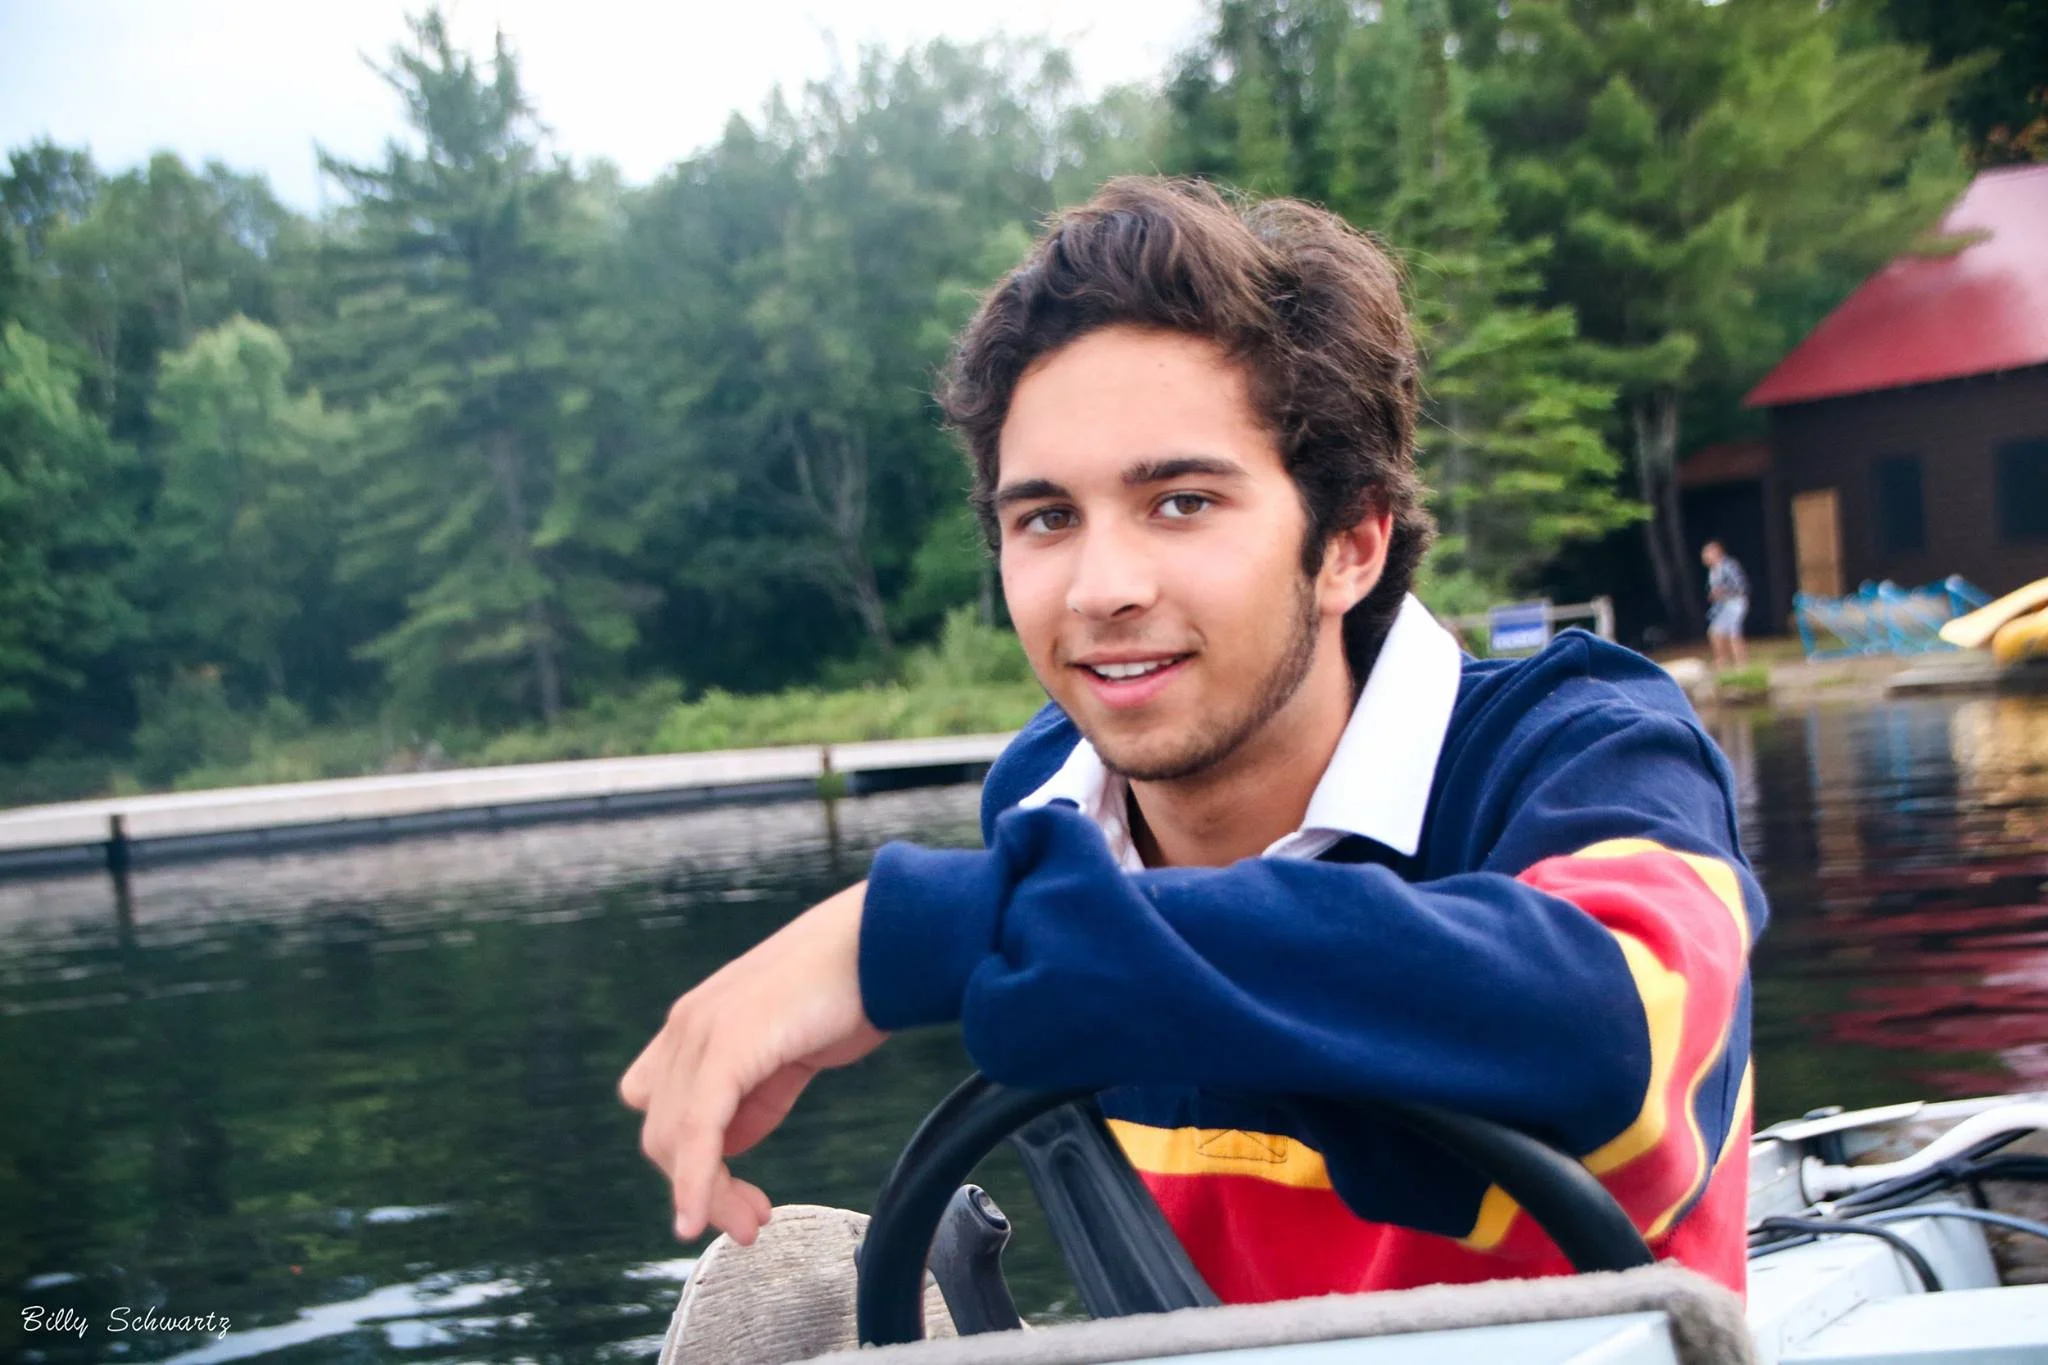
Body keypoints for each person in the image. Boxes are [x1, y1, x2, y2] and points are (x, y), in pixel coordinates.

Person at [621, 179, 1764, 1305]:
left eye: (1181, 502)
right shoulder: (1044, 807)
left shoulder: (1586, 754)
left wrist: (907, 935)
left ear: (1351, 543)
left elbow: (1615, 1035)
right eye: (1046, 519)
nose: (1101, 588)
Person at [1702, 541, 1750, 671]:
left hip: (1735, 603)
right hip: (1723, 606)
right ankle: (1722, 661)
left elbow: (1740, 586)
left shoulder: (1728, 566)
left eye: (1707, 553)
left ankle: (1741, 663)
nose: (1705, 556)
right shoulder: (1714, 570)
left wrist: (1722, 592)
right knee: (1715, 632)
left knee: (1733, 633)